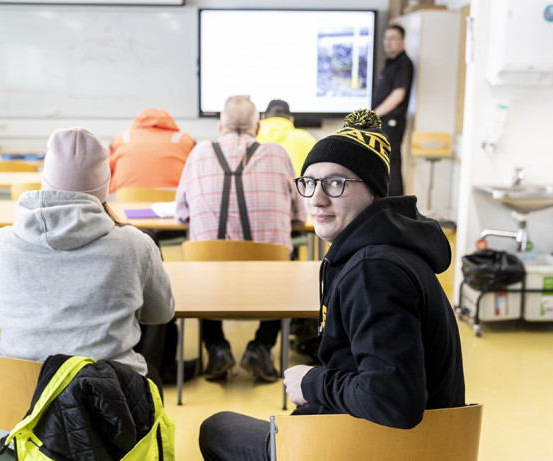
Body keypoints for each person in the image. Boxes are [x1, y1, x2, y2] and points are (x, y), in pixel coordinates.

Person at [198, 109, 465, 461]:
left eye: (336, 183)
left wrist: (312, 382)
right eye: (309, 183)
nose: (316, 199)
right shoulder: (383, 252)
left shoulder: (375, 272)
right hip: (393, 441)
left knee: (216, 429)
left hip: (373, 447)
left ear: (373, 191)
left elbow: (394, 400)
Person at [0, 127, 175, 393]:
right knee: (153, 380)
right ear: (104, 186)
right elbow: (161, 313)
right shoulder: (135, 245)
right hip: (110, 416)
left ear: (46, 179)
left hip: (19, 418)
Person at [175, 95, 307, 383]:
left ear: (220, 125)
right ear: (258, 126)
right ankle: (261, 346)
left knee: (201, 263)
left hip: (208, 282)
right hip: (268, 280)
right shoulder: (278, 154)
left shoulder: (198, 153)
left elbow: (182, 214)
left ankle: (217, 348)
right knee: (291, 261)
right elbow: (300, 216)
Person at [108, 108, 195, 194]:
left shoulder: (121, 139)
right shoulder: (184, 140)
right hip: (173, 202)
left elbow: (104, 170)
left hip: (122, 201)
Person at [373, 24, 414, 197]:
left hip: (392, 121)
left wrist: (375, 114)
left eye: (392, 38)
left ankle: (396, 205)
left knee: (392, 163)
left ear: (402, 41)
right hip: (384, 122)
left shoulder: (403, 63)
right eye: (385, 38)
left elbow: (398, 94)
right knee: (383, 163)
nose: (387, 42)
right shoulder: (390, 62)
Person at [256, 99, 316, 177]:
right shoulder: (307, 139)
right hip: (297, 188)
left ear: (262, 117)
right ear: (291, 120)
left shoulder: (250, 139)